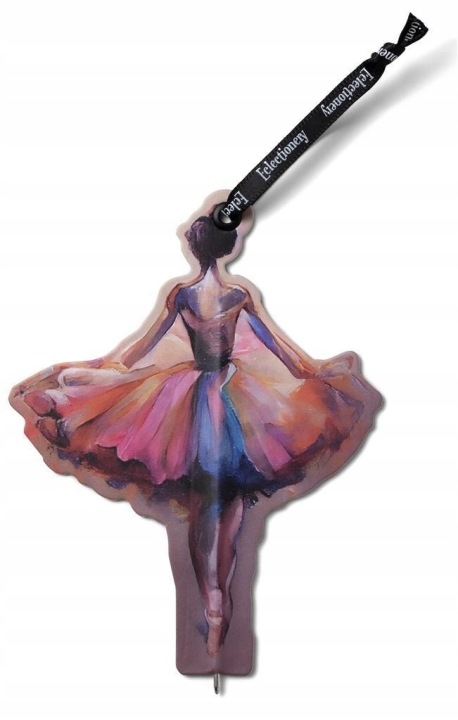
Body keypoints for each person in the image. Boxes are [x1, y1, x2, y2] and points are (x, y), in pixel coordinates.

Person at [10, 210, 382, 658]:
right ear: (226, 247)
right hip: (233, 402)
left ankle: (211, 602)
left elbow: (138, 351)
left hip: (185, 405)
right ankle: (217, 601)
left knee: (200, 506)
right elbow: (284, 355)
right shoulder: (237, 296)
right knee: (229, 503)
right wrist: (319, 374)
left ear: (194, 247)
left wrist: (98, 377)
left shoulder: (183, 295)